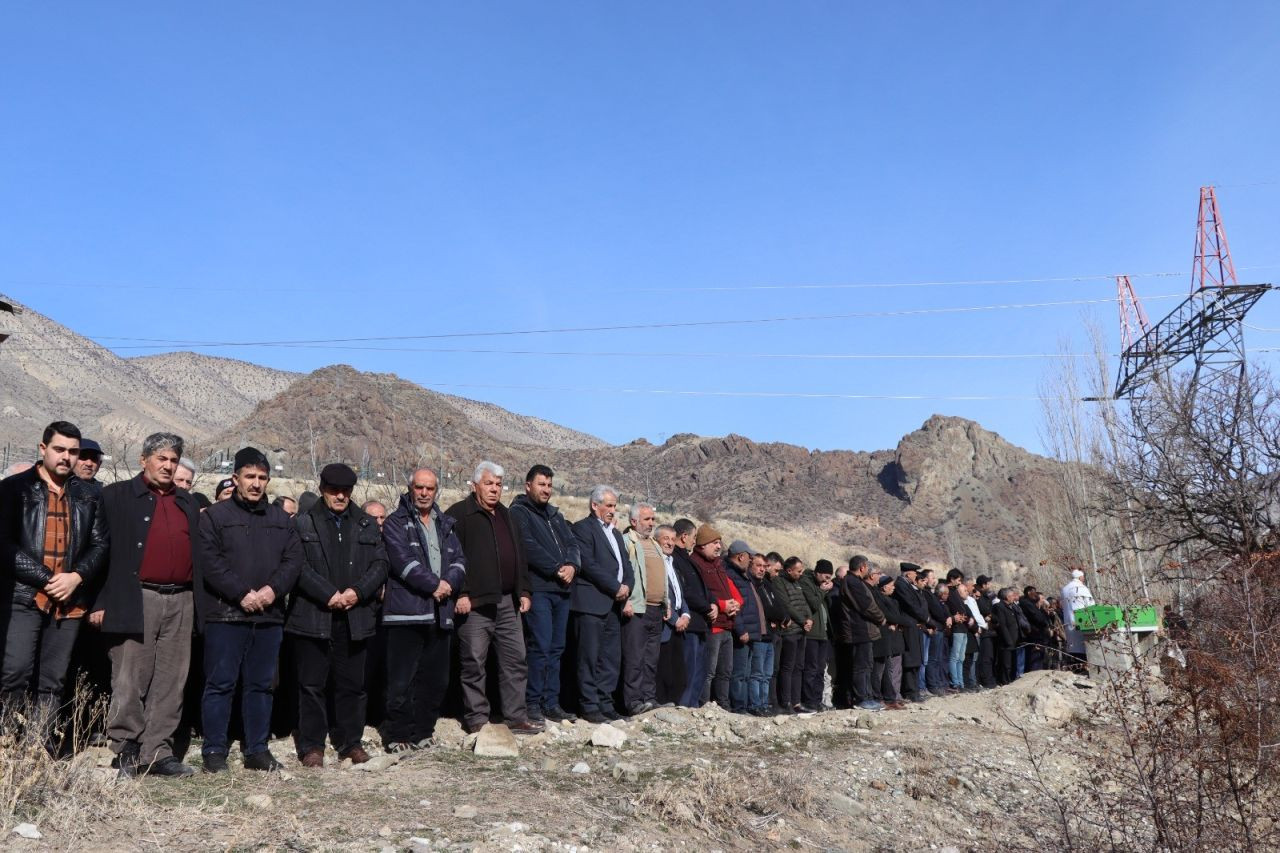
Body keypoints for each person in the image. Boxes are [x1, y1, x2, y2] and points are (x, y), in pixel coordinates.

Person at [94, 432, 200, 777]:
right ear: (144, 460)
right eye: (161, 459)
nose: (168, 466)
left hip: (182, 598)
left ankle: (158, 751)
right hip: (135, 597)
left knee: (172, 678)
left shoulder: (187, 503)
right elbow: (98, 552)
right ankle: (126, 747)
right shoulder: (116, 496)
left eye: (173, 460)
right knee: (130, 675)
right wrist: (99, 602)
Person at [0, 421, 108, 747]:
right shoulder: (13, 488)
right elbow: (4, 545)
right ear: (43, 449)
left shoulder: (90, 494)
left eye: (73, 451)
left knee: (52, 680)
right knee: (14, 673)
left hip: (69, 601)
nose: (67, 457)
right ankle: (7, 743)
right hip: (24, 595)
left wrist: (76, 577)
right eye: (59, 449)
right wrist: (48, 580)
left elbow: (101, 544)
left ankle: (36, 749)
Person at [195, 446, 303, 773]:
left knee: (260, 685)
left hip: (268, 618)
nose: (256, 484)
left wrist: (271, 591)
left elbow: (293, 560)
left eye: (262, 478)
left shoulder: (281, 520)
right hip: (226, 614)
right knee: (220, 684)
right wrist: (241, 593)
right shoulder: (216, 517)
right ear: (235, 478)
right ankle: (215, 751)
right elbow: (209, 562)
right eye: (249, 477)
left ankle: (257, 749)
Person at [286, 464, 387, 767]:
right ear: (322, 489)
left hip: (355, 618)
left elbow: (381, 565)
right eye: (334, 490)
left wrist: (357, 591)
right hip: (314, 615)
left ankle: (349, 742)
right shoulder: (303, 524)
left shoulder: (367, 524)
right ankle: (312, 745)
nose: (341, 496)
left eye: (346, 491)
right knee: (311, 684)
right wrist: (327, 593)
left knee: (352, 686)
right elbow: (297, 566)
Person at [446, 461, 539, 735]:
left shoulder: (507, 515)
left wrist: (524, 590)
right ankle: (477, 719)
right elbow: (451, 559)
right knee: (474, 661)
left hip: (508, 601)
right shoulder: (459, 515)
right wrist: (461, 593)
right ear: (475, 485)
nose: (494, 489)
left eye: (498, 484)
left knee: (515, 659)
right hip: (475, 603)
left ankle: (516, 716)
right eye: (489, 483)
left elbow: (520, 555)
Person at [380, 468, 465, 751]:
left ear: (436, 490)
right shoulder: (395, 522)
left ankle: (423, 731)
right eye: (419, 487)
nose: (424, 493)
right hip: (407, 613)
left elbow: (459, 561)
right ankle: (398, 734)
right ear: (410, 488)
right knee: (402, 679)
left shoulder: (445, 523)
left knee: (435, 678)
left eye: (430, 488)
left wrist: (448, 585)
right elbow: (402, 562)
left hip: (440, 613)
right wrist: (434, 586)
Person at [508, 464, 580, 723]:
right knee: (540, 646)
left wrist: (573, 565)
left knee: (557, 648)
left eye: (549, 485)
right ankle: (532, 703)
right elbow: (527, 545)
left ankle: (551, 702)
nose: (546, 490)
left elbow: (572, 543)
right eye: (541, 484)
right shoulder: (519, 512)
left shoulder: (556, 515)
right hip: (539, 588)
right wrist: (556, 567)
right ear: (528, 486)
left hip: (561, 590)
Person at [570, 485, 634, 723]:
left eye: (615, 506)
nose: (612, 510)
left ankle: (605, 703)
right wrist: (614, 586)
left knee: (609, 657)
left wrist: (627, 586)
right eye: (608, 505)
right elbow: (587, 564)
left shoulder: (616, 534)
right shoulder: (582, 529)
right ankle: (588, 705)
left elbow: (625, 565)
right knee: (589, 656)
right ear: (594, 505)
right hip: (590, 603)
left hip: (613, 605)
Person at [620, 503, 666, 715]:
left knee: (651, 659)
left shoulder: (655, 545)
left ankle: (649, 698)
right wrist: (625, 601)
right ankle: (633, 702)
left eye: (652, 520)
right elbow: (622, 574)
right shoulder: (627, 542)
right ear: (633, 521)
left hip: (656, 609)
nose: (651, 524)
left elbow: (661, 576)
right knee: (635, 658)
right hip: (638, 608)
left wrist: (665, 601)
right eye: (646, 519)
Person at [689, 524, 739, 709]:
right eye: (714, 543)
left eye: (719, 543)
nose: (719, 546)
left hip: (727, 624)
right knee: (708, 672)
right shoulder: (696, 563)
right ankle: (705, 707)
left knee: (725, 671)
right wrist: (722, 605)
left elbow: (725, 589)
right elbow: (702, 593)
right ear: (702, 544)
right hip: (711, 625)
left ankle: (723, 708)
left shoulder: (718, 564)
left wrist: (733, 604)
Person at [670, 519, 714, 708]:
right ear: (684, 536)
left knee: (700, 669)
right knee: (689, 667)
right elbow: (685, 590)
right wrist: (706, 606)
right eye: (694, 537)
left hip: (700, 622)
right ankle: (685, 704)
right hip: (691, 619)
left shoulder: (687, 559)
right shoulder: (676, 559)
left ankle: (693, 704)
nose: (694, 542)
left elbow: (702, 587)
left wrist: (712, 603)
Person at [840, 556, 886, 711]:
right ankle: (861, 698)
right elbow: (866, 606)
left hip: (863, 630)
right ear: (863, 567)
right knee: (861, 666)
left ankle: (867, 697)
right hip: (858, 630)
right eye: (867, 567)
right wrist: (880, 618)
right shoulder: (852, 582)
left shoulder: (855, 581)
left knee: (866, 665)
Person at [722, 540, 762, 714]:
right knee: (738, 673)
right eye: (749, 556)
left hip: (750, 631)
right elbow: (735, 606)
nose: (751, 560)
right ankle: (738, 707)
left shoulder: (742, 575)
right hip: (743, 632)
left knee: (746, 673)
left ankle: (743, 705)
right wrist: (741, 629)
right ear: (740, 556)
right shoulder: (730, 574)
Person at [654, 524, 690, 706]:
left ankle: (674, 704)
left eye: (672, 539)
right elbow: (662, 593)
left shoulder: (672, 563)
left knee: (679, 672)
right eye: (665, 539)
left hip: (679, 625)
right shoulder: (656, 562)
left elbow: (679, 593)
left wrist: (686, 615)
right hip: (665, 624)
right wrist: (675, 619)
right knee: (663, 670)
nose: (669, 543)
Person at [749, 552, 785, 716]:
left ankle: (765, 704)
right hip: (759, 635)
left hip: (770, 634)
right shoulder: (752, 585)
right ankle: (756, 704)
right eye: (758, 566)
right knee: (757, 673)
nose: (762, 569)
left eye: (764, 567)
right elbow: (767, 609)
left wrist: (781, 616)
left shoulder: (766, 584)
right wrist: (777, 615)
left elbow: (778, 606)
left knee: (767, 674)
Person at [773, 556, 811, 713]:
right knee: (787, 667)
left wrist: (808, 619)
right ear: (788, 570)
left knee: (798, 667)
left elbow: (804, 603)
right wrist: (803, 621)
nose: (801, 574)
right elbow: (786, 605)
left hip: (801, 631)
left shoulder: (797, 583)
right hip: (789, 632)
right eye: (798, 571)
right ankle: (785, 701)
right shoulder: (779, 582)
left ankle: (796, 702)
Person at [798, 560, 834, 712]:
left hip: (823, 633)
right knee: (811, 668)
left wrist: (826, 591)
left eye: (829, 577)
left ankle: (818, 700)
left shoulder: (821, 586)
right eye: (825, 576)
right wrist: (822, 590)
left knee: (820, 669)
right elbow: (813, 603)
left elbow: (827, 604)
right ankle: (809, 700)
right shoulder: (806, 582)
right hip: (812, 633)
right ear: (817, 573)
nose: (827, 580)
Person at [893, 562, 928, 702]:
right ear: (908, 573)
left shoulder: (907, 585)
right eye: (914, 573)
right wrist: (924, 617)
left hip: (914, 624)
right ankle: (910, 691)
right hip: (908, 625)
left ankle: (914, 689)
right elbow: (910, 605)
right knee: (910, 659)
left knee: (915, 658)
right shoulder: (901, 585)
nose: (916, 575)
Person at [871, 575, 907, 709]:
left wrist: (899, 622)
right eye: (891, 585)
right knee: (879, 670)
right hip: (882, 636)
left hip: (892, 637)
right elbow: (887, 615)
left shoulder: (893, 601)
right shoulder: (879, 598)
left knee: (888, 669)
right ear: (884, 587)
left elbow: (896, 616)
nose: (893, 587)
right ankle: (879, 697)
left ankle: (891, 697)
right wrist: (900, 622)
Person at [1060, 569, 1094, 668]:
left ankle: (1075, 667)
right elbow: (1090, 605)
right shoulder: (1081, 588)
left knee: (1074, 647)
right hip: (1082, 622)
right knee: (1083, 647)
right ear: (1080, 577)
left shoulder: (1065, 589)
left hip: (1068, 621)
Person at [991, 588, 1021, 685]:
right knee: (1005, 663)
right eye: (1012, 596)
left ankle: (1011, 679)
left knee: (1012, 662)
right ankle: (1004, 681)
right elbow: (1002, 625)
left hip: (1014, 640)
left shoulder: (1011, 606)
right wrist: (1008, 640)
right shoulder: (999, 607)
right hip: (1006, 641)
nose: (1014, 598)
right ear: (1007, 597)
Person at [1019, 586, 1051, 673]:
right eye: (1034, 592)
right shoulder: (1026, 603)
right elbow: (1037, 617)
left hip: (1039, 633)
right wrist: (1044, 622)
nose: (1036, 594)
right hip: (1034, 633)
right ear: (1029, 592)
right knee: (1035, 657)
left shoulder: (1032, 604)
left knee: (1040, 656)